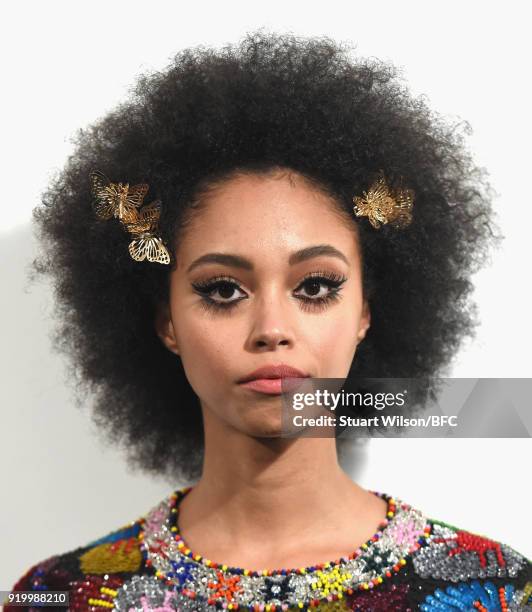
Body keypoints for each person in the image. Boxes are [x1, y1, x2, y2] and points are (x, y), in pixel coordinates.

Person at [5, 30, 531, 611]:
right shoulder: (58, 597)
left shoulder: (499, 591)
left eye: (315, 286)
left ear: (365, 312)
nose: (272, 327)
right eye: (223, 290)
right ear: (166, 322)